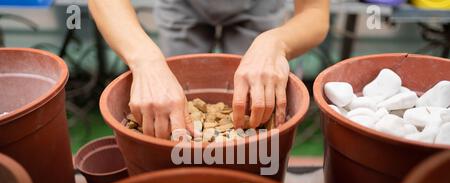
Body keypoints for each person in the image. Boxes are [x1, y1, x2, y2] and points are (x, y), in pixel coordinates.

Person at [88, 0, 329, 139]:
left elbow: (315, 12)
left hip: (258, 5)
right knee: (168, 99)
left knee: (252, 101)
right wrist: (145, 59)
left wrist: (277, 42)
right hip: (181, 4)